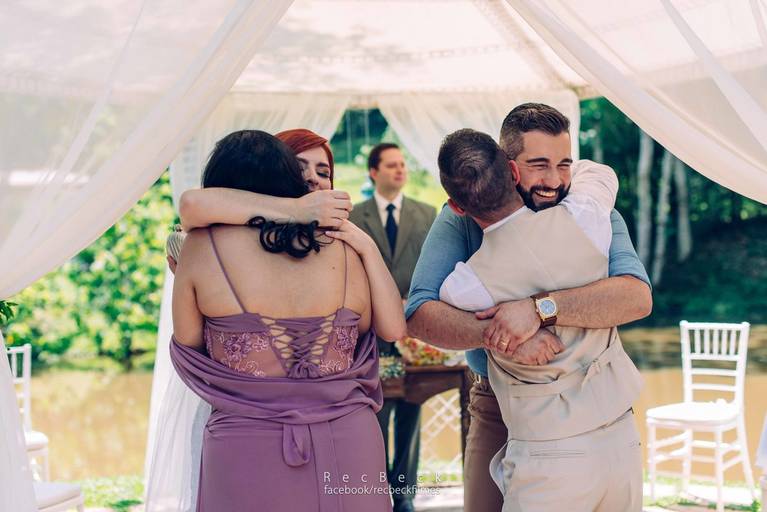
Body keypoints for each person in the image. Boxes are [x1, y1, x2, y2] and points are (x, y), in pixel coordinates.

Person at [405, 103, 652, 512]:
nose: (553, 181)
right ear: (509, 167)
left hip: (603, 408)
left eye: (564, 164)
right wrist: (502, 335)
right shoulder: (460, 218)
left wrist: (538, 309)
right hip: (498, 406)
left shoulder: (591, 210)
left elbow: (635, 298)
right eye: (539, 165)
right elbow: (420, 315)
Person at [170, 129, 406, 511]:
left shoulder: (202, 248)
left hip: (245, 444)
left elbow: (189, 341)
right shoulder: (343, 248)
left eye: (322, 171)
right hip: (351, 439)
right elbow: (373, 329)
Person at [348, 143, 436, 512]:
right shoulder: (354, 216)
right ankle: (378, 493)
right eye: (391, 165)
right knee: (376, 415)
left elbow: (436, 269)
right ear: (373, 172)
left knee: (411, 413)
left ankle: (404, 496)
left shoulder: (427, 214)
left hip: (415, 335)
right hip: (371, 337)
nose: (400, 170)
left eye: (402, 164)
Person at [166, 128, 346, 272]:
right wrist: (297, 209)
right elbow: (192, 202)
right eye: (298, 167)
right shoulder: (228, 239)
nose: (313, 178)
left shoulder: (340, 239)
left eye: (323, 173)